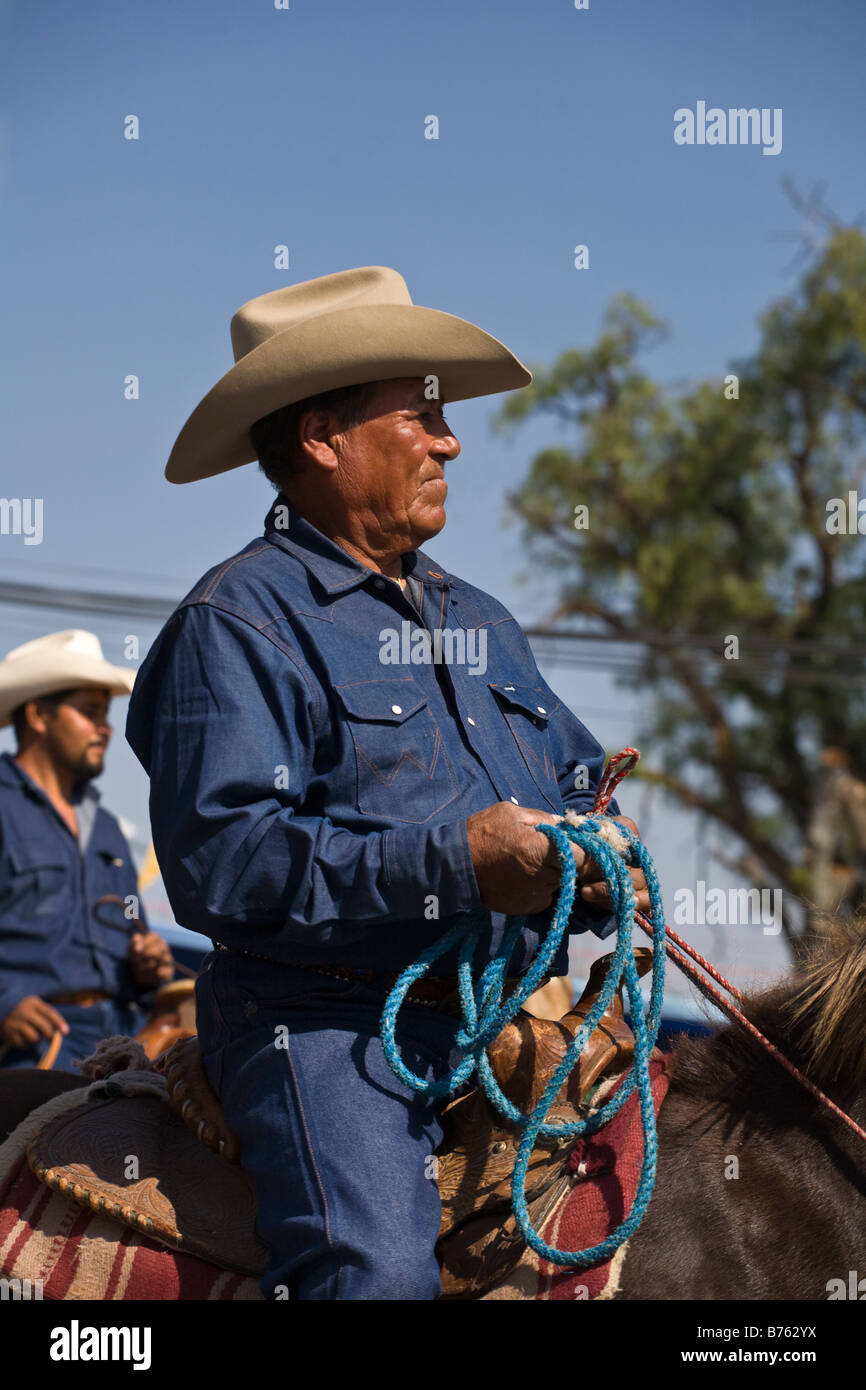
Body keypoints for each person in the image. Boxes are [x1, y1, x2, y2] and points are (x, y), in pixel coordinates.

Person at [126, 265, 650, 1300]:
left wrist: (600, 858)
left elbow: (579, 786)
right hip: (326, 1025)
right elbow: (220, 865)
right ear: (321, 437)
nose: (449, 442)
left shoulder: (481, 620)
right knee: (368, 1272)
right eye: (421, 416)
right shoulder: (236, 625)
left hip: (497, 1009)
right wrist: (458, 865)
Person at [0, 630, 174, 1070]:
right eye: (89, 712)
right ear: (38, 715)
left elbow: (135, 924)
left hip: (118, 1037)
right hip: (29, 1048)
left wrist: (147, 969)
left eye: (106, 714)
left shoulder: (109, 830)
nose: (105, 728)